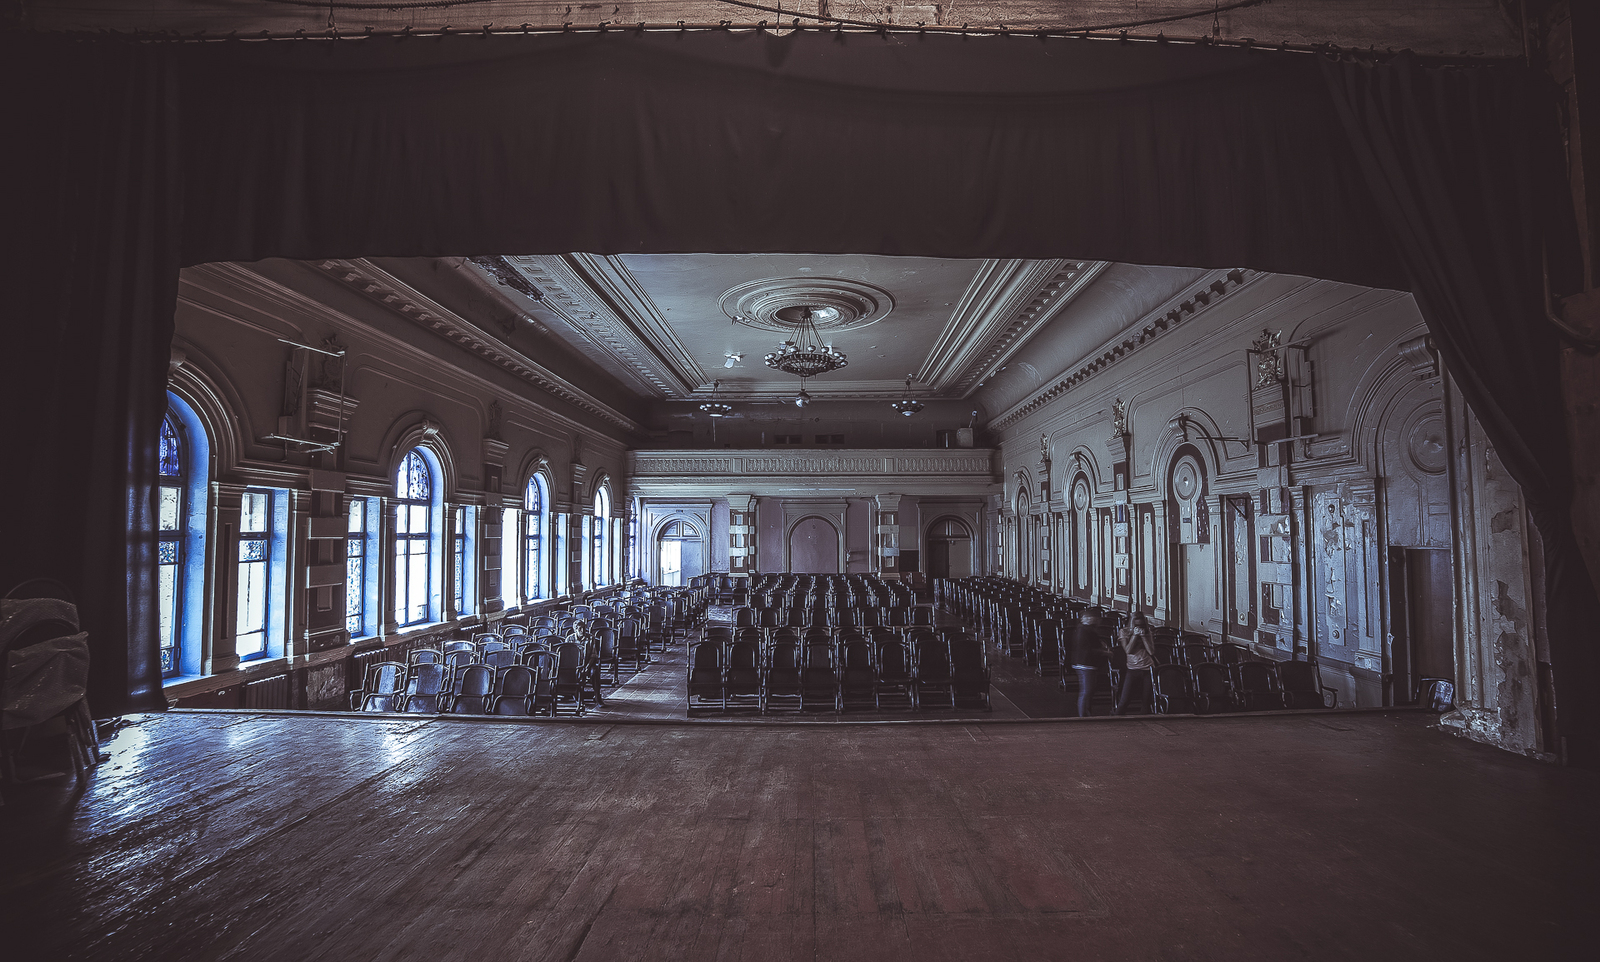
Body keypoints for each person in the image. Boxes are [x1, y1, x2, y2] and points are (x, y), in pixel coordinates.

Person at [1113, 612, 1156, 715]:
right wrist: (1135, 636)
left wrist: (1144, 636)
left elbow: (1151, 652)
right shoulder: (1124, 632)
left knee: (1146, 700)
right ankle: (1116, 720)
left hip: (1147, 668)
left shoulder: (1147, 632)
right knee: (1125, 699)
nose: (1139, 627)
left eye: (1141, 625)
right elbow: (1128, 650)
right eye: (1137, 625)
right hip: (1132, 669)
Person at [1069, 612, 1103, 717]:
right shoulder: (1084, 631)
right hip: (1085, 664)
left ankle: (1087, 713)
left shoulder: (1086, 630)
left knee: (1089, 691)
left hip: (1086, 663)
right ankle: (1082, 716)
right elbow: (1088, 649)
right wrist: (1104, 652)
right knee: (1086, 691)